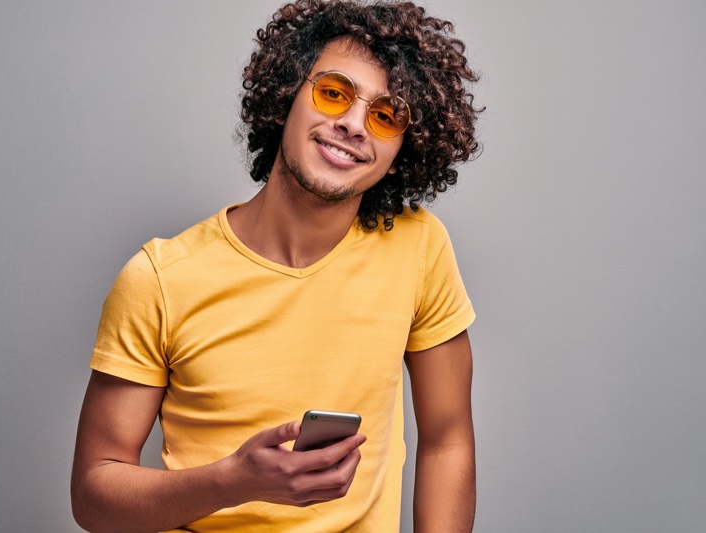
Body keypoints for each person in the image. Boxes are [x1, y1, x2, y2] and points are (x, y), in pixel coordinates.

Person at [71, 0, 482, 531]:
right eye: (333, 93)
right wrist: (234, 481)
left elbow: (447, 441)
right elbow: (93, 493)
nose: (355, 125)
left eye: (385, 115)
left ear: (402, 149)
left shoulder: (418, 247)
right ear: (286, 95)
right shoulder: (160, 278)